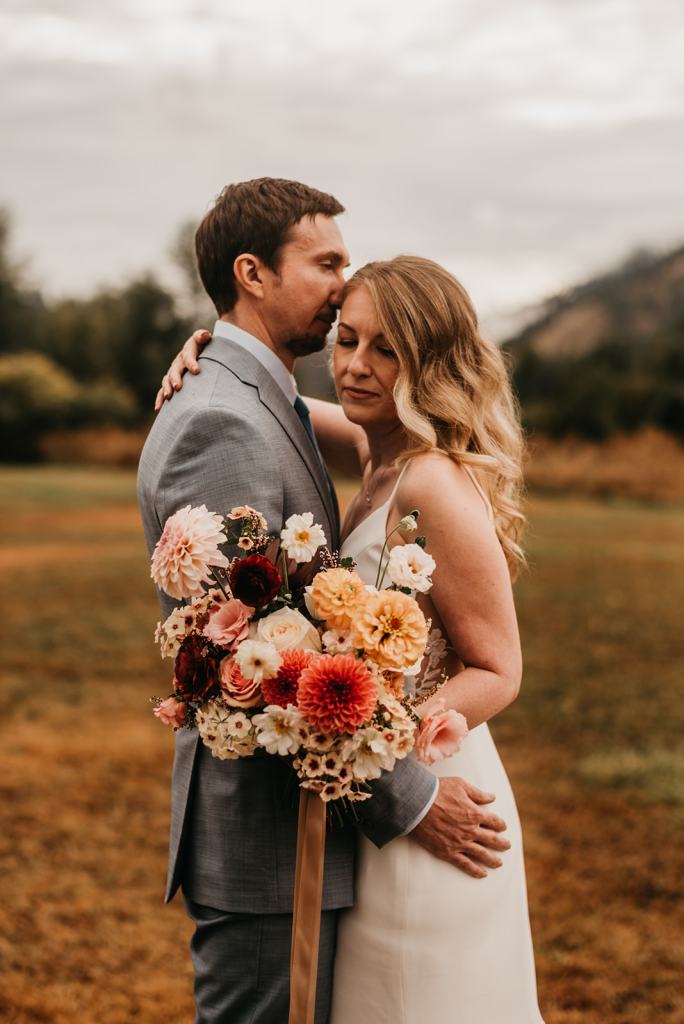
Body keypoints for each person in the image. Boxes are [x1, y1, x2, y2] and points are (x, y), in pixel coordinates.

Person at [139, 178, 512, 1024]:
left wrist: (216, 342)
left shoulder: (285, 410)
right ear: (253, 273)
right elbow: (246, 650)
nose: (343, 288)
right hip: (293, 823)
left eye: (382, 345)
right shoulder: (229, 417)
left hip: (361, 798)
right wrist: (408, 794)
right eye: (327, 264)